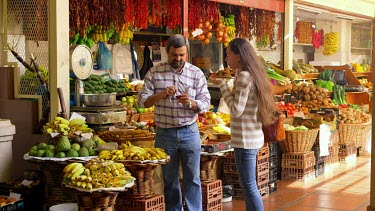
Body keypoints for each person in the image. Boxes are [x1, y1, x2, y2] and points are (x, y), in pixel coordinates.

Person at [137, 34, 211, 211]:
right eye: (174, 55)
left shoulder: (196, 73)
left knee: (192, 178)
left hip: (190, 132)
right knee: (169, 180)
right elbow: (141, 102)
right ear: (166, 53)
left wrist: (191, 103)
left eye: (181, 55)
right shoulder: (154, 72)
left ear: (186, 53)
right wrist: (161, 94)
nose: (178, 59)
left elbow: (206, 103)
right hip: (165, 134)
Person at [209, 38, 278, 211]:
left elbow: (236, 109)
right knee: (249, 185)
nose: (226, 59)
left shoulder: (244, 76)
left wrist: (223, 86)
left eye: (228, 54)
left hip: (245, 140)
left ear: (238, 56)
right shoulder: (251, 74)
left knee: (248, 185)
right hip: (251, 138)